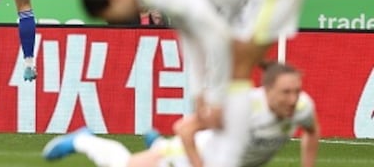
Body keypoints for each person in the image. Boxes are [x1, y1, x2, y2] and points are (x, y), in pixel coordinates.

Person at [79, 0, 311, 167]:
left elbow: (216, 36)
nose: (115, 20)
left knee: (238, 67)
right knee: (236, 67)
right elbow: (191, 35)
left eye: (111, 15)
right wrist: (199, 95)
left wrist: (216, 98)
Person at [42, 62, 319, 167]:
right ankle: (83, 140)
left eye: (296, 91)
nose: (293, 99)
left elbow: (312, 130)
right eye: (286, 92)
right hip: (191, 156)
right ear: (266, 89)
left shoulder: (302, 107)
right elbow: (185, 128)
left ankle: (157, 145)